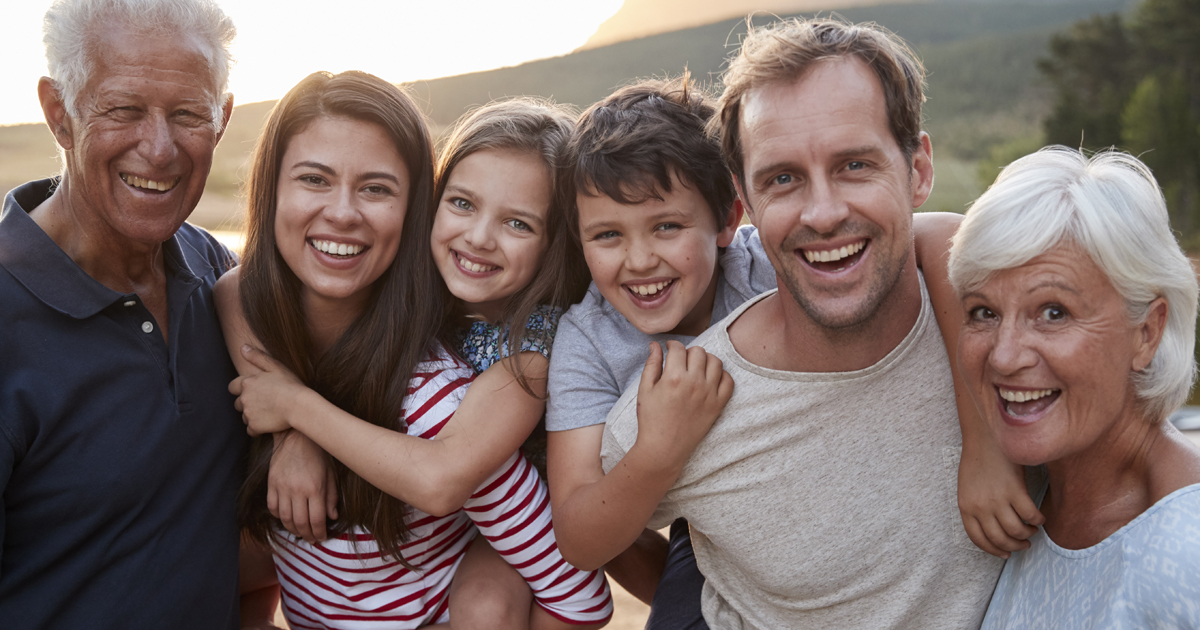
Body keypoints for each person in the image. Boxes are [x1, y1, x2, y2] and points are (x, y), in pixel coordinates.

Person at [597, 18, 1017, 627]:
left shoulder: (1012, 343)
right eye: (783, 178)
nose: (822, 214)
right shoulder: (687, 404)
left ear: (918, 171)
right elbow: (601, 532)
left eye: (854, 165)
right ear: (745, 198)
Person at [219, 83, 611, 628]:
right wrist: (291, 433)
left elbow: (446, 478)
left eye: (519, 223)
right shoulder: (245, 319)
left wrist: (295, 409)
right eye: (314, 178)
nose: (478, 237)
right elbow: (235, 289)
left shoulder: (467, 387)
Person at [0, 0, 246, 627]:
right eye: (124, 110)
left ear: (221, 121)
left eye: (188, 114)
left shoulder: (214, 268)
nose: (160, 149)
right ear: (61, 114)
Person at [948, 147, 1200, 629]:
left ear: (1146, 333)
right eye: (984, 312)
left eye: (1053, 312)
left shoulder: (1186, 554)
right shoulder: (1035, 494)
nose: (1004, 355)